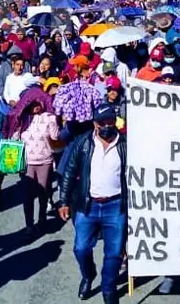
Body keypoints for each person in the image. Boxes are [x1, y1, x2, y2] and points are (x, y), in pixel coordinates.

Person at [57, 103, 127, 304]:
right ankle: (88, 275)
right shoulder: (83, 143)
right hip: (88, 205)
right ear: (95, 123)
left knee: (114, 253)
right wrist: (63, 201)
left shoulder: (124, 144)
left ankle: (108, 289)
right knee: (81, 248)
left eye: (110, 122)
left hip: (116, 205)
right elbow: (69, 172)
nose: (106, 126)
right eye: (102, 122)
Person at [17, 90, 60, 237]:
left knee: (43, 193)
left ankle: (42, 220)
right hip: (28, 162)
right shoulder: (23, 119)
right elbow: (15, 137)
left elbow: (55, 137)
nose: (36, 106)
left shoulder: (49, 118)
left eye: (38, 103)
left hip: (45, 160)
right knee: (28, 195)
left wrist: (55, 122)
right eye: (32, 104)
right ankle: (29, 224)